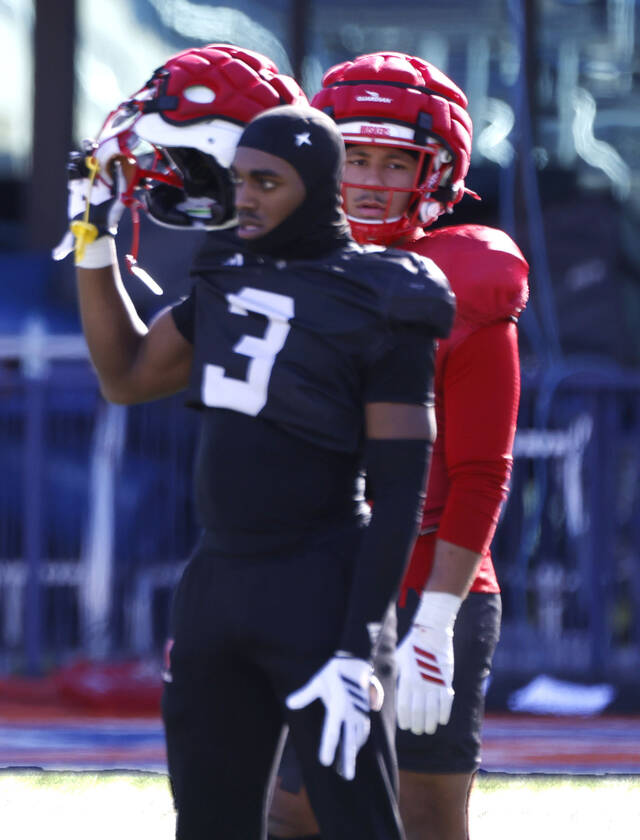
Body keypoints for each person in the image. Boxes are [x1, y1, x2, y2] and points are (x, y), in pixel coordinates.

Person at [61, 54, 456, 834]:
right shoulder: (226, 274)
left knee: (360, 823)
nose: (244, 198)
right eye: (240, 180)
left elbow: (403, 489)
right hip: (216, 580)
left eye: (267, 183)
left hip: (320, 583)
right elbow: (127, 373)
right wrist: (91, 237)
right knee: (207, 822)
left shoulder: (386, 295)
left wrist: (358, 645)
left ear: (318, 187)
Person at [267, 53, 529, 840]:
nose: (373, 179)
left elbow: (482, 473)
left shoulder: (463, 283)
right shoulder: (283, 273)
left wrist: (436, 620)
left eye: (396, 160)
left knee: (424, 819)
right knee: (291, 814)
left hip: (425, 586)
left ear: (436, 172)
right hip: (313, 585)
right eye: (355, 156)